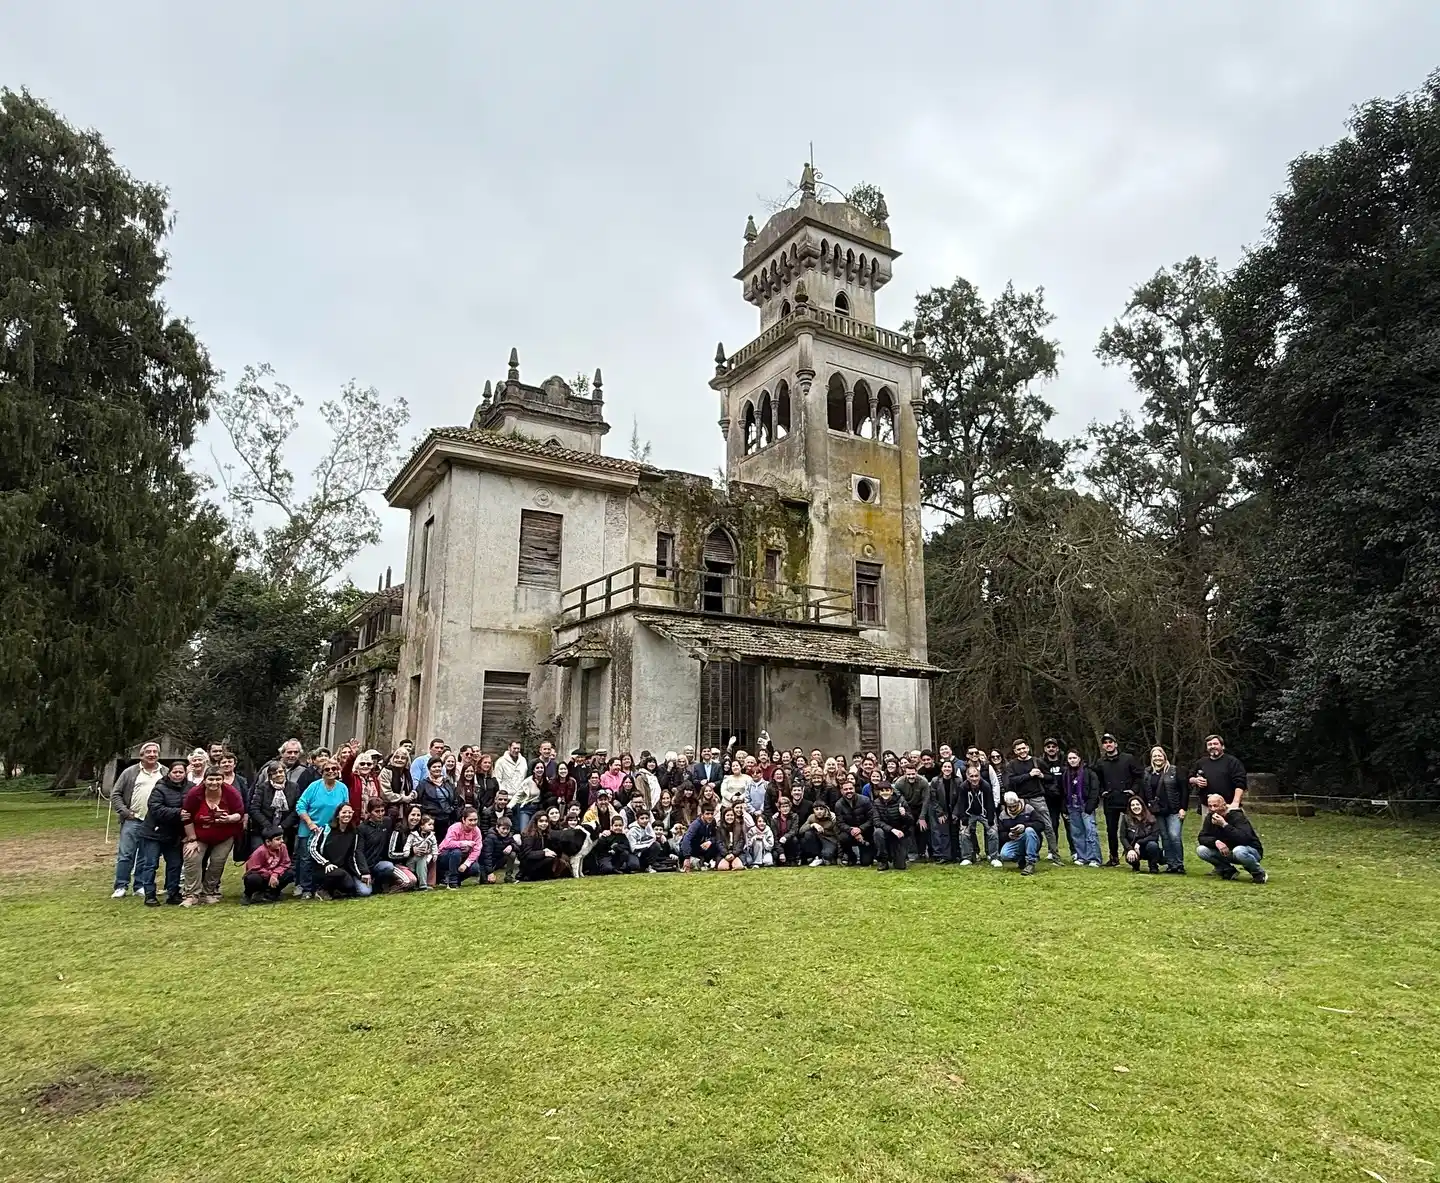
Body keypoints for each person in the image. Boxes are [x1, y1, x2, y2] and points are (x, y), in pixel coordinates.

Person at [180, 766, 245, 905]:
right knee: (192, 856)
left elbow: (239, 813)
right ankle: (191, 895)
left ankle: (208, 892)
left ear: (222, 780)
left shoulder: (231, 792)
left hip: (224, 835)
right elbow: (186, 816)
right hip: (199, 834)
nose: (214, 782)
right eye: (210, 779)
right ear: (204, 780)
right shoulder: (195, 793)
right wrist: (191, 839)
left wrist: (229, 818)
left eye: (218, 779)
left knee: (217, 862)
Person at [109, 741, 163, 898]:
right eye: (149, 752)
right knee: (126, 854)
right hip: (133, 820)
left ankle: (139, 885)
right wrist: (125, 812)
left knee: (145, 856)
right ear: (142, 755)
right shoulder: (130, 772)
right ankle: (121, 885)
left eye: (155, 752)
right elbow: (116, 794)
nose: (152, 754)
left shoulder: (164, 772)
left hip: (153, 822)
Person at [294, 759, 352, 900]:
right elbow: (300, 805)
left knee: (325, 859)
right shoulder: (313, 787)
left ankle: (322, 887)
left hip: (330, 831)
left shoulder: (342, 788)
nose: (331, 771)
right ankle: (306, 889)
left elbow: (345, 807)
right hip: (310, 829)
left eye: (334, 769)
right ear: (321, 772)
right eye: (327, 769)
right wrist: (310, 823)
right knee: (306, 859)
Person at [135, 758, 189, 906]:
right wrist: (178, 812)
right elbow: (155, 808)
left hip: (175, 834)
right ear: (169, 773)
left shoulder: (190, 788)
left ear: (185, 773)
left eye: (181, 772)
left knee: (175, 864)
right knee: (151, 864)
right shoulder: (160, 787)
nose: (178, 775)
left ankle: (173, 893)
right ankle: (150, 894)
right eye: (175, 772)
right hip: (154, 832)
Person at [1004, 739, 1061, 864]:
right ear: (1015, 751)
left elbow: (1050, 778)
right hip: (1021, 801)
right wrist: (1029, 775)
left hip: (1038, 798)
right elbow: (1011, 781)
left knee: (1048, 827)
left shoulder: (1037, 761)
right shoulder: (1012, 765)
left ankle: (1055, 855)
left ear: (1028, 748)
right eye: (1019, 749)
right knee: (1025, 829)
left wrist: (1041, 776)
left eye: (1023, 748)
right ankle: (1029, 853)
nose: (1022, 751)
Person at [1093, 733, 1142, 866]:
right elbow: (1097, 779)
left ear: (1115, 744)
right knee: (1111, 830)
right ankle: (1113, 857)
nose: (1108, 744)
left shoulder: (1128, 759)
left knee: (1132, 828)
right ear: (1103, 746)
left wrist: (1133, 790)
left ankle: (1134, 854)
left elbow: (1139, 776)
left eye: (1110, 742)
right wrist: (1102, 791)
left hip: (1127, 799)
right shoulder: (1100, 762)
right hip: (1110, 799)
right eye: (1105, 743)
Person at [1196, 793, 1267, 883]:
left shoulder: (1237, 816)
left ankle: (1258, 873)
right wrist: (1216, 842)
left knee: (1239, 850)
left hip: (1249, 851)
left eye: (1215, 806)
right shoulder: (1210, 817)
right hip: (1227, 852)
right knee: (1201, 850)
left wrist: (1224, 825)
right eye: (1210, 806)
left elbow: (1244, 838)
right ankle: (1228, 870)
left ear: (1224, 805)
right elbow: (1202, 837)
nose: (1213, 809)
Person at [309, 802, 372, 899]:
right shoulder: (325, 829)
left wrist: (361, 874)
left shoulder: (353, 833)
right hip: (323, 867)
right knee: (339, 874)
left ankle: (334, 891)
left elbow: (354, 855)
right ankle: (321, 890)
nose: (347, 815)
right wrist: (326, 863)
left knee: (350, 886)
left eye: (350, 813)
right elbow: (312, 849)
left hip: (342, 869)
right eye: (344, 812)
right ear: (338, 815)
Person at [1143, 745, 1187, 873]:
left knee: (1174, 836)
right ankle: (1171, 864)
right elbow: (1144, 791)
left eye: (1159, 755)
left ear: (1164, 756)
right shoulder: (1147, 772)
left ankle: (1179, 864)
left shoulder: (1174, 770)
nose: (1157, 758)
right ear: (1151, 758)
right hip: (1157, 811)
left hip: (1174, 809)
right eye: (1155, 756)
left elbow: (1184, 790)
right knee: (1165, 837)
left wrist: (1183, 808)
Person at [1059, 748, 1103, 867]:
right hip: (1072, 805)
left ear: (1079, 759)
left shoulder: (1089, 772)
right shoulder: (1066, 774)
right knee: (1077, 832)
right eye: (1070, 758)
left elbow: (1095, 789)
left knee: (1090, 831)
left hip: (1085, 804)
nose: (1072, 760)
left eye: (1074, 758)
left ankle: (1094, 858)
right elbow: (1063, 791)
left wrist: (1091, 804)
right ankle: (1082, 856)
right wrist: (1064, 806)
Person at [1190, 735, 1248, 812]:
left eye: (1215, 744)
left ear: (1223, 746)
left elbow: (1240, 784)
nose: (1212, 746)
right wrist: (1195, 780)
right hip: (1208, 807)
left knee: (1229, 824)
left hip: (1228, 806)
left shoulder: (1232, 762)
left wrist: (1235, 803)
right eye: (1209, 744)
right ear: (1207, 748)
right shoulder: (1201, 762)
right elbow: (1189, 778)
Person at [921, 758, 962, 863]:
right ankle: (945, 856)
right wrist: (940, 813)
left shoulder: (958, 781)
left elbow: (960, 798)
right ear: (942, 769)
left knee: (954, 832)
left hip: (953, 810)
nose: (947, 769)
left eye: (949, 767)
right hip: (941, 811)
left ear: (952, 769)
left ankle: (956, 855)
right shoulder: (935, 781)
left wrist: (956, 813)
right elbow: (933, 799)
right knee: (943, 833)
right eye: (945, 767)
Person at [957, 763, 998, 867]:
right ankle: (967, 857)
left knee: (993, 832)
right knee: (964, 833)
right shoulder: (963, 787)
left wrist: (990, 817)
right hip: (969, 813)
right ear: (967, 777)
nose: (974, 779)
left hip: (984, 813)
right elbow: (961, 803)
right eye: (971, 776)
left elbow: (990, 802)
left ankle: (994, 857)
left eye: (976, 776)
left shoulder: (986, 785)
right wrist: (963, 818)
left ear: (979, 776)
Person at [242, 826, 294, 904]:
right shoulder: (260, 851)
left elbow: (285, 863)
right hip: (262, 876)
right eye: (278, 839)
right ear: (268, 842)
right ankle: (248, 895)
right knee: (253, 878)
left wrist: (275, 874)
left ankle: (272, 893)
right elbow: (253, 869)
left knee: (291, 872)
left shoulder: (283, 847)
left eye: (282, 838)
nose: (282, 841)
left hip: (274, 875)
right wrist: (270, 874)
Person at [357, 798, 401, 891]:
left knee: (388, 866)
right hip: (364, 865)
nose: (380, 814)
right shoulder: (362, 828)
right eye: (377, 811)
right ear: (369, 812)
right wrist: (364, 871)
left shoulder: (387, 822)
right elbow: (359, 851)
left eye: (382, 811)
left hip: (378, 863)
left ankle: (378, 883)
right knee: (364, 892)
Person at [438, 805, 487, 888]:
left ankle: (456, 879)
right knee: (456, 852)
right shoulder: (454, 828)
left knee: (475, 868)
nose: (473, 822)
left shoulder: (477, 831)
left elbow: (477, 849)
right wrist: (463, 843)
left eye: (475, 820)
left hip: (463, 858)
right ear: (463, 820)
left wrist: (466, 864)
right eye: (470, 820)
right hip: (445, 856)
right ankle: (452, 881)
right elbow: (447, 843)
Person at [1038, 737, 1071, 858]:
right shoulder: (1041, 763)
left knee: (1070, 826)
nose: (1051, 749)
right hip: (1050, 799)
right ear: (1045, 749)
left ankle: (1074, 852)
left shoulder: (1065, 761)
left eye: (1053, 746)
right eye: (1048, 747)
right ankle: (1052, 850)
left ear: (1057, 748)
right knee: (1052, 825)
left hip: (1065, 798)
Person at [995, 791, 1041, 875]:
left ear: (1018, 802)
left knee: (1029, 830)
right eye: (1010, 807)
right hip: (1015, 840)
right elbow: (1000, 833)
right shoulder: (1003, 815)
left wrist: (1024, 826)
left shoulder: (1028, 809)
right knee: (1004, 855)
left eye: (1014, 806)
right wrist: (1008, 835)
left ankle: (1031, 863)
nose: (1012, 809)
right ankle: (1021, 858)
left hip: (1031, 838)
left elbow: (1041, 825)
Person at [870, 780, 912, 872]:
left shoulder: (901, 801)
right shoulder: (876, 803)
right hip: (886, 833)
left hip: (900, 834)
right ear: (879, 792)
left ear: (891, 791)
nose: (885, 792)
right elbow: (876, 821)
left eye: (887, 790)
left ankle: (897, 855)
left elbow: (910, 821)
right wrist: (892, 830)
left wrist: (904, 815)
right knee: (878, 832)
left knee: (900, 866)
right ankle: (883, 860)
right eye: (882, 790)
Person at [891, 759, 928, 861]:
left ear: (916, 772)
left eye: (913, 774)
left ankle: (922, 852)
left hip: (920, 807)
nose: (911, 776)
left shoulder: (923, 782)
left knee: (923, 829)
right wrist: (907, 815)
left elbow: (926, 800)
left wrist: (922, 817)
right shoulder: (899, 783)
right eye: (909, 774)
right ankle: (912, 853)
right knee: (909, 829)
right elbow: (900, 799)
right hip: (907, 808)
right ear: (904, 773)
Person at [834, 779, 875, 866]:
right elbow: (840, 823)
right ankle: (850, 855)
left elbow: (872, 819)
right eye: (845, 789)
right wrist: (852, 831)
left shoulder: (865, 800)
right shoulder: (838, 804)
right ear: (841, 791)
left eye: (850, 788)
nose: (848, 791)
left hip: (865, 833)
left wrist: (860, 829)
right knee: (842, 837)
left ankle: (868, 852)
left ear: (854, 789)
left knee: (866, 862)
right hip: (850, 833)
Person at [1119, 796, 1164, 873]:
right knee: (1131, 856)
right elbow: (1122, 837)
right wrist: (1129, 849)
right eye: (1132, 805)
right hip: (1133, 848)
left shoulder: (1152, 818)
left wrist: (1139, 842)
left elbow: (1154, 836)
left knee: (1153, 845)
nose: (1135, 807)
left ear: (1142, 805)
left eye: (1137, 804)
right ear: (1130, 808)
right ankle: (1135, 866)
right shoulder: (1126, 818)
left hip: (1148, 846)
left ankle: (1153, 866)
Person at [417, 757, 458, 840]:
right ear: (429, 769)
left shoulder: (447, 783)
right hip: (431, 820)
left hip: (447, 819)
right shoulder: (423, 784)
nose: (437, 769)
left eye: (439, 767)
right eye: (434, 767)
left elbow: (454, 798)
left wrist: (452, 809)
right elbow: (418, 801)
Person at [384, 804, 423, 890]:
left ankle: (427, 883)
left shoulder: (419, 831)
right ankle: (389, 887)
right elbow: (390, 854)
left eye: (418, 815)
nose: (415, 818)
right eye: (413, 815)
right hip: (395, 863)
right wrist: (411, 852)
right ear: (407, 815)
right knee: (410, 881)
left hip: (409, 863)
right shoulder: (398, 830)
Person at [518, 813, 564, 881]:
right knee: (550, 859)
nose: (544, 823)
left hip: (537, 861)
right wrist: (543, 853)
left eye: (546, 821)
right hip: (528, 864)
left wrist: (546, 850)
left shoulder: (544, 833)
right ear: (535, 822)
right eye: (541, 821)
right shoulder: (529, 835)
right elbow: (527, 854)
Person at [681, 804, 725, 871]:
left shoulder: (713, 822)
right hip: (690, 849)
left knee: (715, 844)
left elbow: (715, 836)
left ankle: (707, 862)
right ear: (702, 814)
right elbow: (686, 840)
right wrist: (687, 857)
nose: (710, 816)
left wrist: (710, 841)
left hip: (701, 847)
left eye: (711, 814)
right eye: (707, 814)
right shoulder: (696, 824)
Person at [480, 814, 521, 883]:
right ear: (497, 827)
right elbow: (487, 856)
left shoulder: (509, 836)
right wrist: (490, 872)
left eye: (507, 829)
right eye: (503, 828)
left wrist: (511, 846)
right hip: (486, 863)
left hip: (499, 860)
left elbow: (518, 848)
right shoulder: (490, 837)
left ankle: (508, 877)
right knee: (486, 882)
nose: (505, 831)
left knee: (512, 854)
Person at [799, 800, 840, 866]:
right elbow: (801, 830)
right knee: (807, 834)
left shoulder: (832, 818)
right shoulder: (811, 817)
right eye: (816, 809)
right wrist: (813, 825)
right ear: (813, 810)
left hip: (829, 840)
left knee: (827, 854)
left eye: (821, 809)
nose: (819, 811)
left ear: (825, 809)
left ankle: (827, 857)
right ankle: (817, 856)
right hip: (817, 839)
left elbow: (838, 835)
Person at [404, 815, 439, 889]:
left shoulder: (432, 836)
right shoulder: (413, 835)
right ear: (422, 826)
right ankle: (420, 884)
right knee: (419, 862)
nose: (431, 827)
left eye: (432, 825)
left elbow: (434, 845)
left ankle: (424, 884)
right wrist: (407, 852)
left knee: (424, 860)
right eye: (429, 824)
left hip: (424, 858)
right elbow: (408, 844)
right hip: (411, 860)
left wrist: (434, 854)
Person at [770, 795, 803, 866]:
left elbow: (794, 830)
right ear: (779, 808)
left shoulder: (794, 816)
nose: (785, 809)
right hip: (778, 844)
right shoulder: (774, 819)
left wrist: (785, 837)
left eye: (787, 806)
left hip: (789, 841)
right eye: (783, 807)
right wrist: (781, 852)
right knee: (775, 856)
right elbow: (775, 837)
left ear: (790, 807)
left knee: (794, 839)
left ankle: (794, 858)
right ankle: (782, 857)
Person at [626, 807, 661, 871]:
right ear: (637, 819)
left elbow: (653, 838)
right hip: (634, 853)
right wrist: (647, 845)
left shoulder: (648, 826)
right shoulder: (632, 831)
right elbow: (633, 848)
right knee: (634, 866)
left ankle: (650, 865)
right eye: (642, 818)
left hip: (644, 850)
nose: (645, 820)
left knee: (656, 845)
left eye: (647, 818)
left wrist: (647, 845)